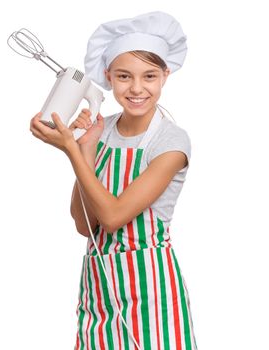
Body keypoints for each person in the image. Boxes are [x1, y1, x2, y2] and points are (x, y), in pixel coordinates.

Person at [29, 11, 197, 350]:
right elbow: (86, 224)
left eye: (149, 76)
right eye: (124, 76)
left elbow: (113, 216)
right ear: (108, 76)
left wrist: (71, 152)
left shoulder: (171, 142)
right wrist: (87, 147)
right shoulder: (100, 129)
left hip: (151, 292)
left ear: (165, 75)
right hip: (100, 290)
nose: (136, 88)